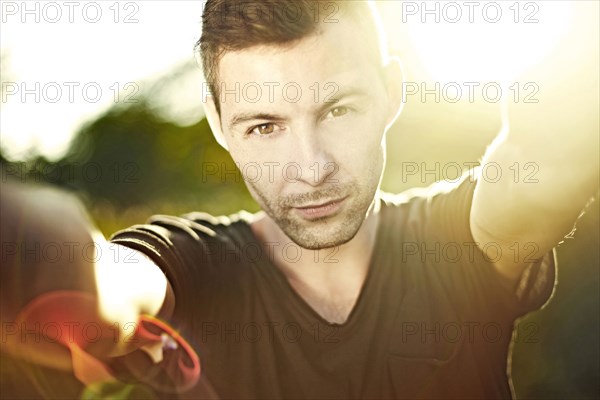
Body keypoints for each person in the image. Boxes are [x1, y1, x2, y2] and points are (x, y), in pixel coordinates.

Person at [1, 0, 598, 399]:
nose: (311, 169)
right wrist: (46, 252)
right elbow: (109, 290)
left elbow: (552, 161)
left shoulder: (456, 241)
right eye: (265, 126)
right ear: (216, 121)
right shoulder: (192, 264)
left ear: (392, 92)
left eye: (338, 110)